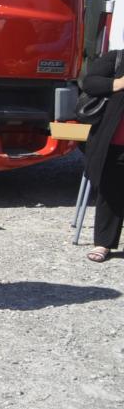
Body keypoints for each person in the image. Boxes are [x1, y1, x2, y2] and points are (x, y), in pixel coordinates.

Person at [78, 48, 124, 263]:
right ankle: (104, 243)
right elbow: (89, 83)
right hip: (115, 142)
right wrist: (118, 83)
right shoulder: (117, 58)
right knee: (110, 192)